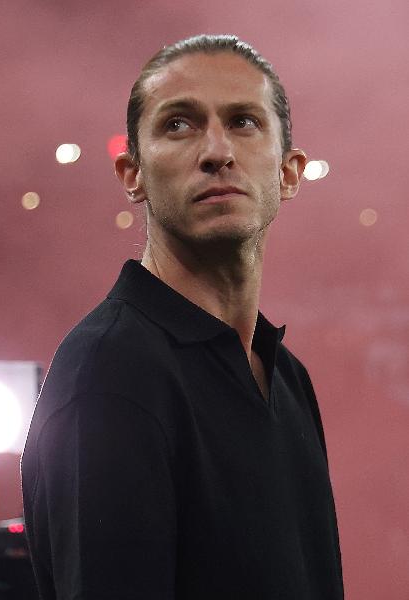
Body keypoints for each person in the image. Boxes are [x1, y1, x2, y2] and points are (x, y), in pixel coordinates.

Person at [22, 34, 344, 599]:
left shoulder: (288, 377)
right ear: (132, 174)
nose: (217, 150)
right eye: (179, 124)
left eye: (244, 122)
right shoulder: (109, 373)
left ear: (289, 173)